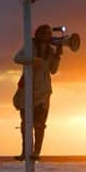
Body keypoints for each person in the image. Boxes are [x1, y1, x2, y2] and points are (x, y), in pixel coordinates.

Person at [13, 24, 62, 161]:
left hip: (42, 92)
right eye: (45, 33)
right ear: (39, 34)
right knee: (25, 124)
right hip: (26, 91)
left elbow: (53, 70)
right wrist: (33, 60)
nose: (48, 36)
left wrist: (58, 55)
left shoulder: (50, 51)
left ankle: (36, 152)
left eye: (49, 33)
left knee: (39, 124)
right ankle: (25, 152)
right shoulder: (30, 46)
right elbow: (17, 58)